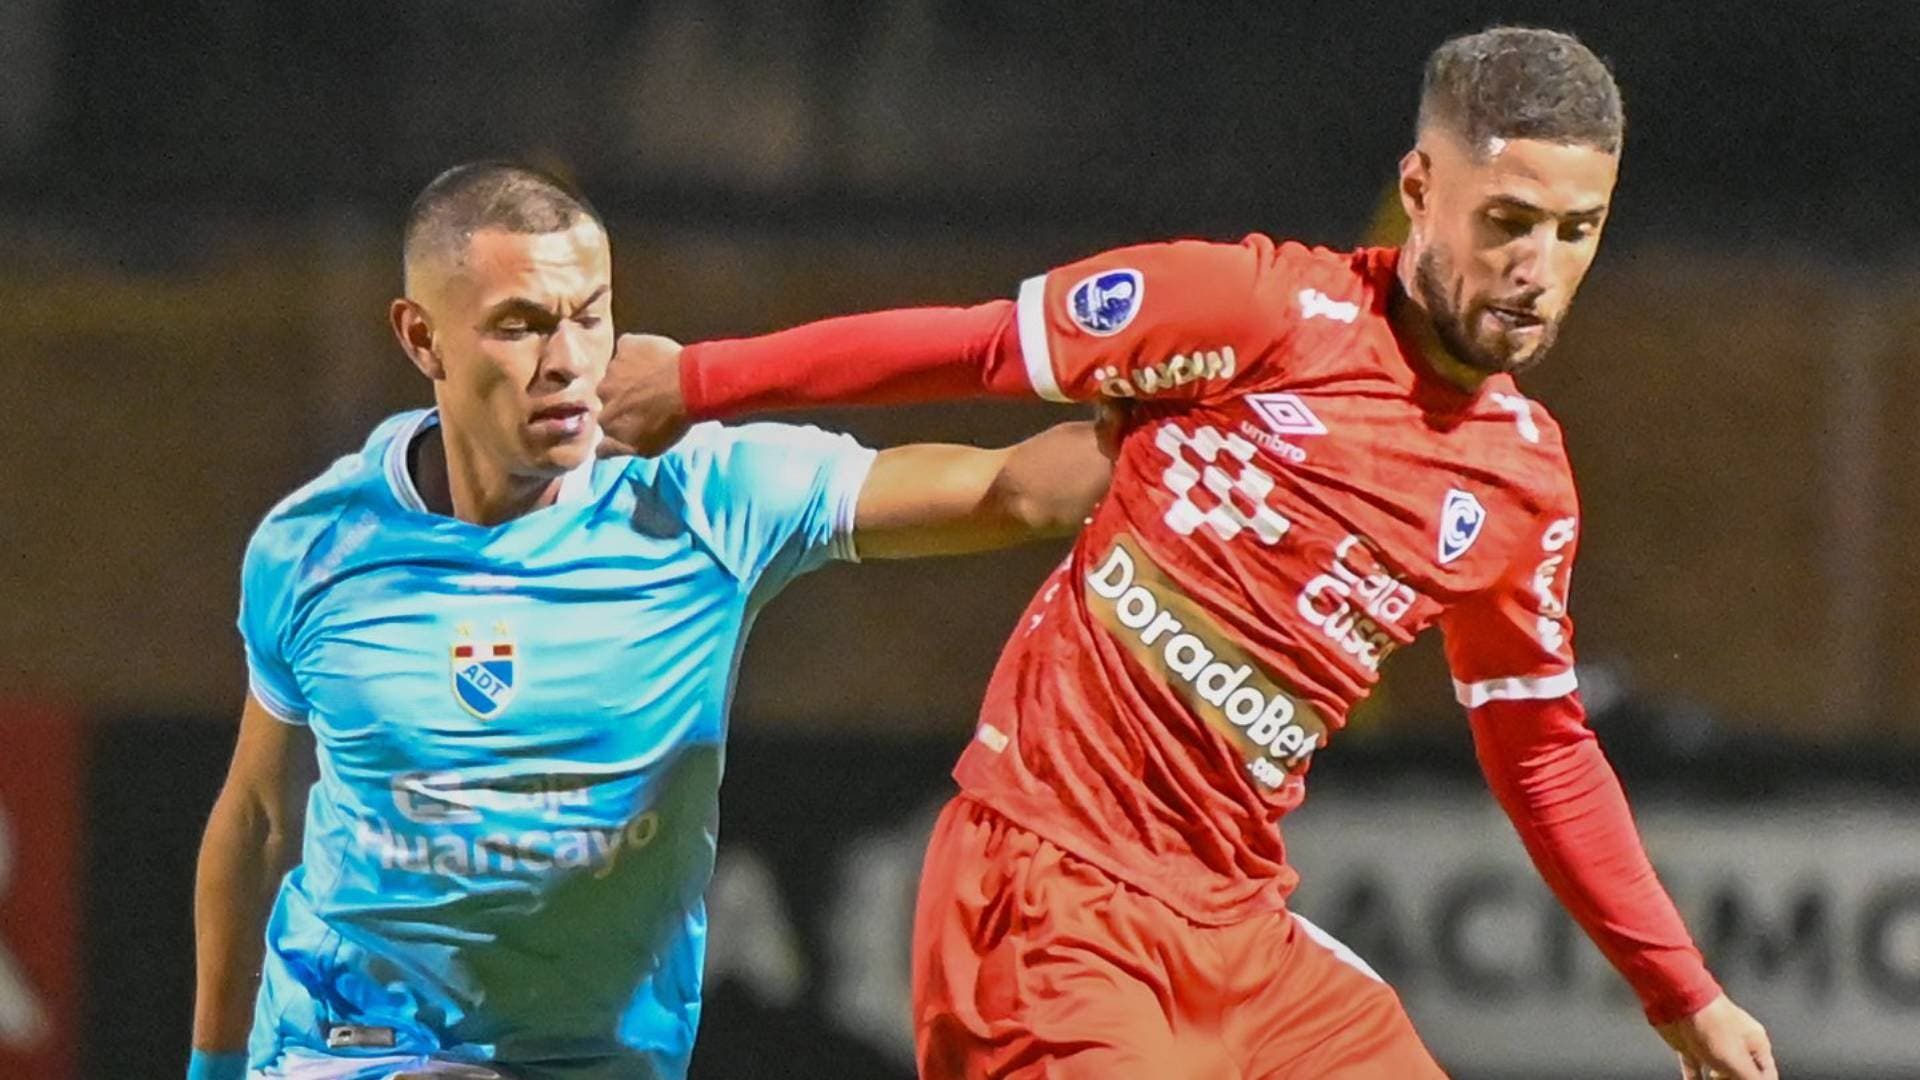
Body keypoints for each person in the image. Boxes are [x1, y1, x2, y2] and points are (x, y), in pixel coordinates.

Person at [595, 26, 1776, 1080]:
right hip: (1052, 892)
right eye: (1508, 221)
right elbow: (982, 347)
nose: (1539, 269)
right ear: (1421, 189)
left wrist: (1684, 994)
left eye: (1577, 231)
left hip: (1238, 931)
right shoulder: (1259, 313)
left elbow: (1542, 750)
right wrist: (696, 380)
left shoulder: (1523, 480)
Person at [188, 162, 1111, 1080]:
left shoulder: (708, 497)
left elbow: (1014, 490)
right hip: (349, 1044)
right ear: (422, 338)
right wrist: (213, 1064)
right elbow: (260, 818)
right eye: (520, 325)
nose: (567, 361)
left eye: (590, 316)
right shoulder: (316, 543)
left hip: (602, 1061)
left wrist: (1191, 425)